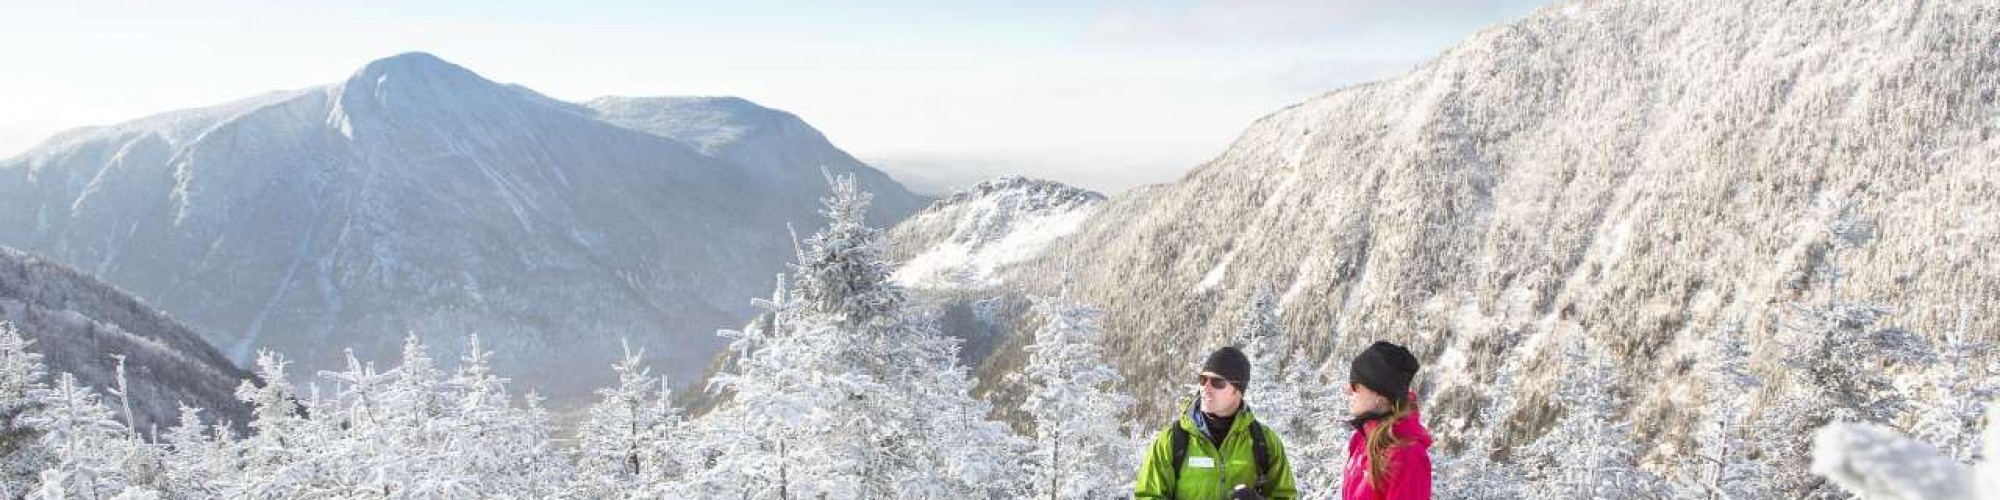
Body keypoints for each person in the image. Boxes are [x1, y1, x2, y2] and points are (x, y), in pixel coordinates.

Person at [1135, 346, 1298, 500]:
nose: (1206, 387)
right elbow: (1147, 495)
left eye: (1217, 382)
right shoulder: (1172, 440)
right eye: (1203, 379)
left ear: (1238, 390)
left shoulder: (1264, 442)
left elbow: (1285, 496)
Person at [1342, 341, 1433, 500]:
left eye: (1356, 385)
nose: (1347, 390)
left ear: (1380, 396)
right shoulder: (1362, 438)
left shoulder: (1408, 457)